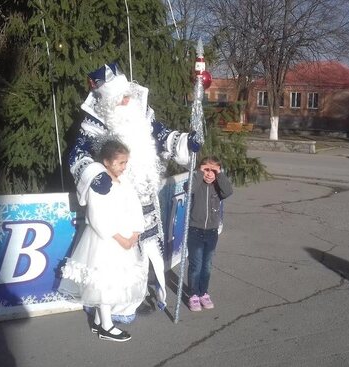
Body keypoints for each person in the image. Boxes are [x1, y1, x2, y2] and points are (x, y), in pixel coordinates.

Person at [69, 62, 201, 323]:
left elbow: (163, 136)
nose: (128, 99)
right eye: (121, 97)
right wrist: (94, 175)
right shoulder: (94, 121)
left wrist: (186, 142)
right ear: (108, 101)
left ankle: (136, 298)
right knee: (117, 257)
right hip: (114, 201)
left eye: (128, 93)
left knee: (144, 253)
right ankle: (114, 307)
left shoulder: (142, 113)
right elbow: (78, 153)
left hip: (145, 198)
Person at [60, 140, 146, 342]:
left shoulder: (124, 182)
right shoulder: (99, 185)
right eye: (120, 163)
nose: (124, 167)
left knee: (115, 280)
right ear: (107, 162)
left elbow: (135, 207)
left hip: (125, 239)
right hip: (107, 240)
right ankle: (107, 326)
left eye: (126, 163)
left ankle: (100, 321)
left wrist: (135, 233)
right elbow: (97, 216)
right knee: (105, 281)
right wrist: (119, 238)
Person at [186, 156, 233, 312]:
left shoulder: (218, 186)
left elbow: (228, 191)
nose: (209, 173)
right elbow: (189, 188)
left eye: (213, 170)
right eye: (206, 169)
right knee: (196, 265)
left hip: (211, 232)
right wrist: (199, 174)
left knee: (207, 266)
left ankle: (203, 293)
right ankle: (193, 294)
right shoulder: (197, 184)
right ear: (200, 169)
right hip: (194, 230)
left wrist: (219, 175)